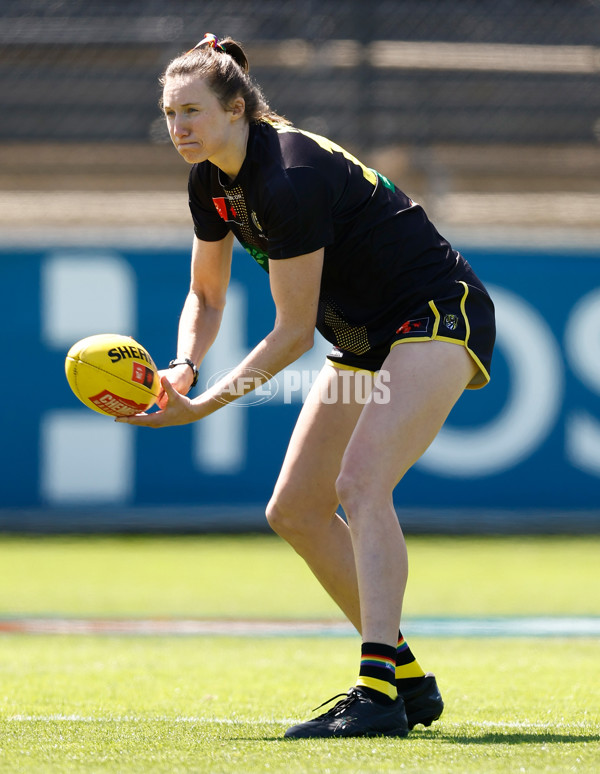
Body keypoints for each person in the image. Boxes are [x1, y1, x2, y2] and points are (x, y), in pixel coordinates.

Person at [117, 32, 496, 739]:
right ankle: (408, 680)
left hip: (434, 315)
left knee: (361, 484)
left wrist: (199, 409)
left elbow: (292, 333)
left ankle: (376, 690)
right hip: (364, 342)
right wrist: (182, 365)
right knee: (294, 509)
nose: (179, 128)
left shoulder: (287, 175)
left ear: (237, 109)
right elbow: (206, 293)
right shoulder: (210, 179)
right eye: (170, 114)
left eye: (192, 112)